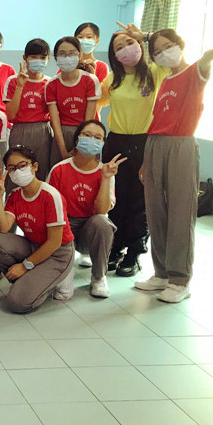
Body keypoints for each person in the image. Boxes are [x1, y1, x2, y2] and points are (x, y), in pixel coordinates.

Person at [124, 21, 213, 302]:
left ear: (180, 46)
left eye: (169, 46)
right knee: (156, 211)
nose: (164, 53)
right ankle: (162, 273)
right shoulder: (165, 80)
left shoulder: (194, 73)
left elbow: (207, 58)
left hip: (181, 146)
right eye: (157, 51)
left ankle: (180, 279)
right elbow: (158, 120)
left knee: (180, 211)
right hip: (155, 145)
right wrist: (146, 161)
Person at [96, 26, 169, 277]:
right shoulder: (112, 80)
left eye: (130, 43)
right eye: (119, 47)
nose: (126, 49)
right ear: (114, 55)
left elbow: (177, 49)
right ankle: (115, 248)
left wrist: (147, 36)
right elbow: (95, 101)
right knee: (115, 199)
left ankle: (134, 254)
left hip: (143, 142)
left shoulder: (154, 72)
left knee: (140, 201)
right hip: (115, 142)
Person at [0, 146, 75, 313]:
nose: (17, 171)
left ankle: (59, 277)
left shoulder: (50, 196)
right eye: (12, 168)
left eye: (22, 166)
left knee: (17, 302)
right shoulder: (15, 195)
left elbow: (54, 242)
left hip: (58, 253)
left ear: (34, 166)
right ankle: (31, 281)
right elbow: (4, 228)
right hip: (33, 245)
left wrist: (25, 266)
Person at [48, 120, 123, 298]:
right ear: (77, 139)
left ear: (102, 144)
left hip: (89, 229)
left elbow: (101, 211)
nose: (92, 140)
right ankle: (64, 269)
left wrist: (106, 178)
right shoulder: (59, 170)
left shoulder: (105, 171)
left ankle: (99, 277)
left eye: (98, 138)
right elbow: (50, 209)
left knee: (103, 222)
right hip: (64, 228)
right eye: (87, 135)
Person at [46, 36, 101, 163]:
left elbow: (88, 120)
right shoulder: (51, 84)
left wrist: (78, 148)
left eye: (72, 53)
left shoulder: (90, 80)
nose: (67, 57)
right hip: (61, 136)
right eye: (62, 54)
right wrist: (63, 151)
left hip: (86, 134)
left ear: (80, 55)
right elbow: (55, 122)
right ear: (56, 57)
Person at [3, 38, 52, 180]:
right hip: (20, 130)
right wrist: (20, 86)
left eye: (42, 57)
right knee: (17, 172)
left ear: (48, 59)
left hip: (43, 131)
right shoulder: (13, 81)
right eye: (34, 57)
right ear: (25, 58)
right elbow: (11, 115)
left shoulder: (50, 83)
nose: (38, 60)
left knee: (40, 172)